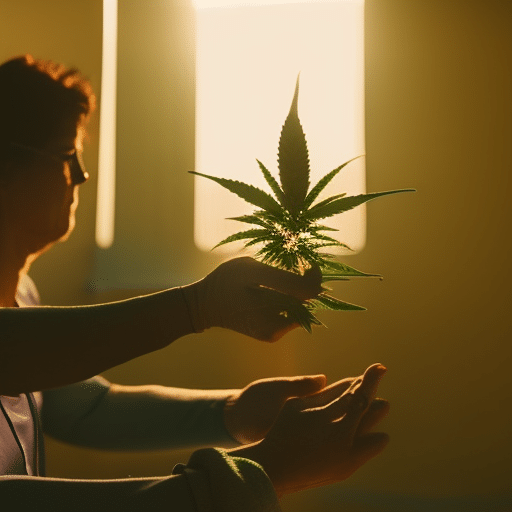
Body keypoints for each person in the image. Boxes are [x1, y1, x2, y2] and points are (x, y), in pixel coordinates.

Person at [0, 55, 390, 511]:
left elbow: (85, 409)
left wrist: (232, 412)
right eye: (68, 155)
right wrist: (198, 307)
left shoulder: (24, 295)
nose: (82, 176)